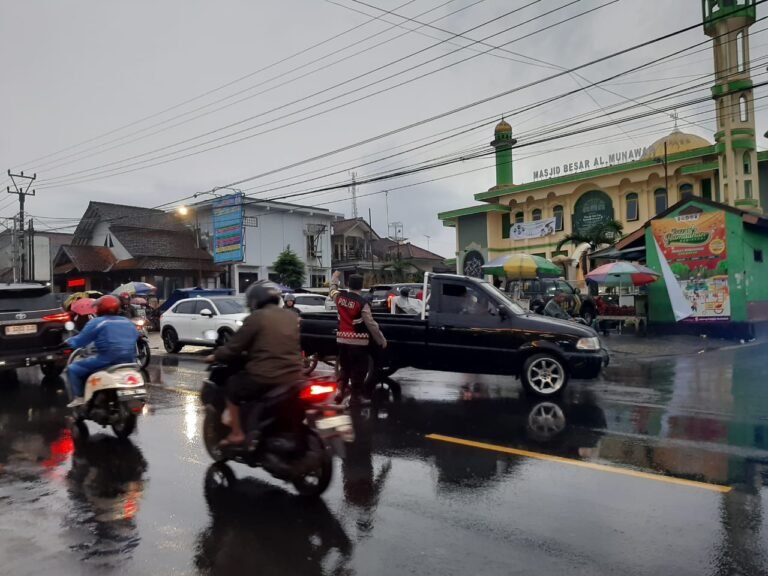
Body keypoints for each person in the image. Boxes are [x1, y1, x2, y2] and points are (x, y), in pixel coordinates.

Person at [206, 281, 303, 446]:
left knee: (232, 386)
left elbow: (233, 347)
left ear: (254, 300)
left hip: (266, 376)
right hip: (294, 376)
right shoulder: (291, 316)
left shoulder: (256, 317)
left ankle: (237, 433)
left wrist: (215, 356)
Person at [64, 295, 139, 408]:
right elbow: (135, 336)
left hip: (107, 359)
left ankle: (79, 398)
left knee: (73, 369)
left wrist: (68, 343)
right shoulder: (127, 322)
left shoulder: (97, 322)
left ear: (100, 308)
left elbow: (80, 341)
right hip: (129, 360)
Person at [330, 271, 387, 404]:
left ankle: (340, 390)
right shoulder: (363, 303)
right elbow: (371, 324)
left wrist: (335, 277)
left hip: (341, 340)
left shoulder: (339, 297)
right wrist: (381, 340)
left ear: (348, 285)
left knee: (345, 367)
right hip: (358, 343)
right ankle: (356, 397)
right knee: (359, 370)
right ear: (361, 287)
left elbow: (332, 289)